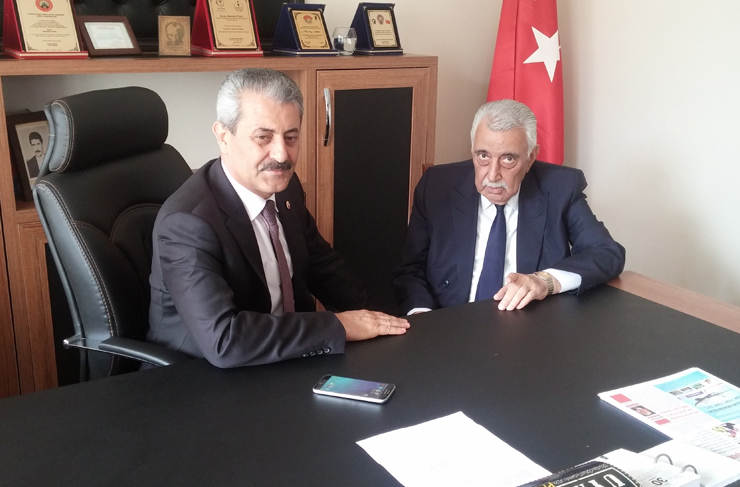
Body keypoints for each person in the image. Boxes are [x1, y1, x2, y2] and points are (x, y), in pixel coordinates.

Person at [148, 68, 409, 367]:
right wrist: (339, 326)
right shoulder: (187, 224)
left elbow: (326, 269)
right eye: (263, 137)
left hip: (282, 355)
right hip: (200, 373)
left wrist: (386, 323)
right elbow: (225, 340)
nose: (282, 155)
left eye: (291, 137)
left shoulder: (285, 188)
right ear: (223, 136)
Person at [394, 99, 625, 315]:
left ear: (531, 157)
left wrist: (543, 281)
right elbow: (410, 270)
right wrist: (424, 320)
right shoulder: (437, 186)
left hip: (530, 327)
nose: (492, 175)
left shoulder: (560, 188)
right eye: (483, 156)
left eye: (508, 159)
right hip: (450, 324)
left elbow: (606, 252)